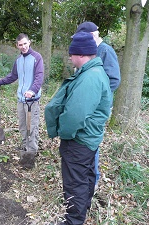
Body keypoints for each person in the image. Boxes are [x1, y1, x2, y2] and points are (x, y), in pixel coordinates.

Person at [45, 32, 112, 225]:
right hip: (88, 139)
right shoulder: (95, 72)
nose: (69, 57)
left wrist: (63, 133)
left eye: (71, 53)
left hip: (79, 140)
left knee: (75, 183)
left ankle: (73, 220)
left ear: (80, 54)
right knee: (86, 177)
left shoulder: (89, 77)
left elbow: (75, 115)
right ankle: (83, 209)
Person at [74, 21, 121, 187]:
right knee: (83, 141)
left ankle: (91, 183)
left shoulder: (105, 50)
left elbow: (114, 80)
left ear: (92, 35)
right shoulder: (90, 50)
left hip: (96, 109)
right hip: (85, 106)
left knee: (90, 142)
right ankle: (83, 179)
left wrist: (95, 98)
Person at [0, 33, 44, 169]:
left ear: (29, 42)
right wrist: (0, 82)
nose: (23, 47)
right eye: (20, 45)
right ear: (17, 46)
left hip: (32, 101)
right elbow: (13, 76)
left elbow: (39, 77)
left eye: (25, 43)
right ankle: (25, 147)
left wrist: (32, 90)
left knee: (31, 127)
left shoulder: (37, 58)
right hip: (21, 100)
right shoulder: (19, 60)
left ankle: (31, 153)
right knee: (22, 126)